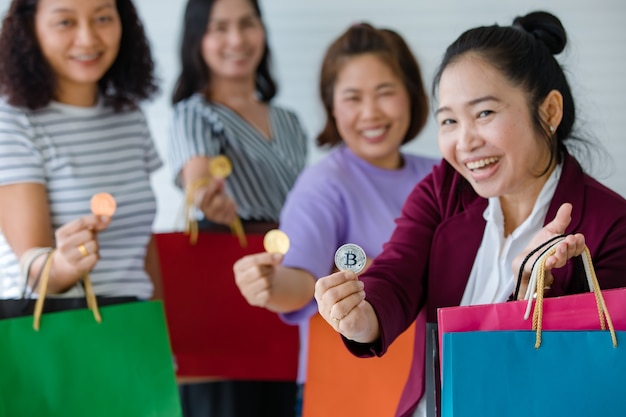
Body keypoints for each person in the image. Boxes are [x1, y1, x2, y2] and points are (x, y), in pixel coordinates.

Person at [313, 10, 626, 417]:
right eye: (448, 121)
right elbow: (396, 273)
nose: (465, 142)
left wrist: (529, 292)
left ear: (549, 111)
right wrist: (361, 317)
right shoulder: (442, 188)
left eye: (484, 114)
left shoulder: (611, 225)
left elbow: (587, 376)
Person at [233, 23, 438, 416]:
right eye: (352, 98)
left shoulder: (444, 176)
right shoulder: (324, 185)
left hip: (436, 386)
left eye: (385, 92)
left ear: (411, 94)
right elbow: (302, 282)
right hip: (355, 389)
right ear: (331, 106)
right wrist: (270, 285)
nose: (370, 113)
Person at [167, 0, 308, 416]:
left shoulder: (289, 120)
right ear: (198, 40)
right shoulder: (195, 113)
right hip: (226, 287)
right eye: (219, 28)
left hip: (288, 277)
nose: (236, 40)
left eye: (247, 24)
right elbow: (198, 177)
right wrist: (208, 195)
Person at [0, 0, 162, 301]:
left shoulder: (129, 115)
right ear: (29, 29)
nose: (88, 39)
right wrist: (64, 265)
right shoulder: (11, 120)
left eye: (102, 18)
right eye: (65, 22)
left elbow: (143, 246)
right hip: (58, 337)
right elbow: (32, 271)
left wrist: (159, 328)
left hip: (134, 327)